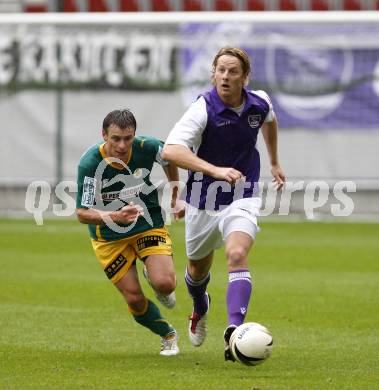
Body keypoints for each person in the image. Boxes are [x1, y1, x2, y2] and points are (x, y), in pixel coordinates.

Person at [162, 47, 285, 361]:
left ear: (245, 78)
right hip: (202, 202)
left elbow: (269, 121)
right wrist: (215, 170)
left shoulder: (259, 102)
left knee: (237, 253)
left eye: (233, 72)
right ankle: (200, 306)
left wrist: (273, 162)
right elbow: (171, 151)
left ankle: (234, 332)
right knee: (195, 274)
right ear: (213, 74)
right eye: (221, 71)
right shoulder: (203, 108)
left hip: (243, 195)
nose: (225, 77)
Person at [76, 109, 180, 356]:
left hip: (146, 223)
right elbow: (82, 213)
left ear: (134, 135)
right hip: (108, 237)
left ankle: (151, 270)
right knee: (133, 299)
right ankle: (168, 334)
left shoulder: (147, 146)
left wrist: (175, 193)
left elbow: (170, 157)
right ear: (104, 135)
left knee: (165, 284)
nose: (122, 145)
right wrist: (115, 216)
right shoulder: (90, 163)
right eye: (115, 139)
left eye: (127, 138)